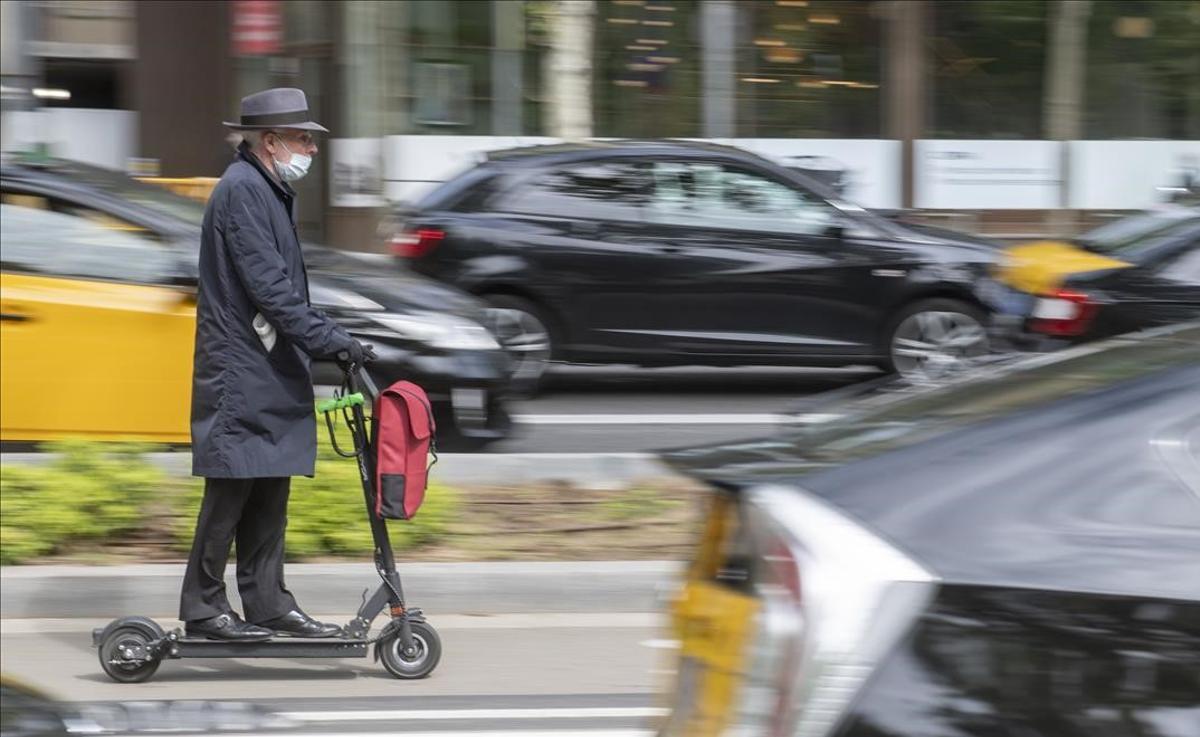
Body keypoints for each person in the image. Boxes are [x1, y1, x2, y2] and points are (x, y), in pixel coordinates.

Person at [180, 88, 373, 641]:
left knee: (268, 486)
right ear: (269, 141)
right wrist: (332, 342)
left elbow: (283, 290)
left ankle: (266, 602)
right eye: (301, 137)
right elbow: (271, 291)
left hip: (265, 364)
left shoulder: (267, 189)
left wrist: (331, 337)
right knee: (232, 487)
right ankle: (203, 609)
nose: (310, 147)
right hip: (241, 369)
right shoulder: (243, 192)